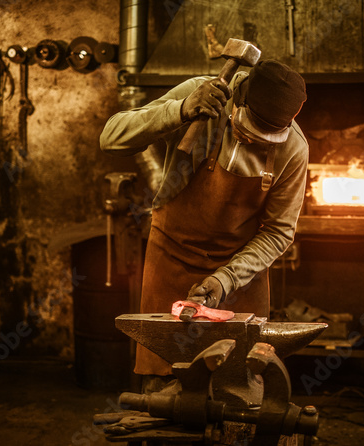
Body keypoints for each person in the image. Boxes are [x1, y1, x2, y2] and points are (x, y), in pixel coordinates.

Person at [100, 59, 309, 385]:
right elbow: (111, 138)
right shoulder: (202, 97)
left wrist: (225, 279)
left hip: (240, 276)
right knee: (164, 384)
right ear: (239, 99)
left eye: (265, 140)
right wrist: (180, 110)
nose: (252, 142)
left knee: (238, 388)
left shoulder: (293, 148)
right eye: (247, 131)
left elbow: (279, 231)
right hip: (170, 258)